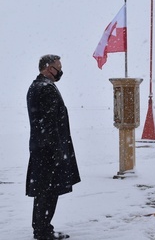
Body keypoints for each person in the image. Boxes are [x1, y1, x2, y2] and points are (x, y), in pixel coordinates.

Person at [26, 54, 81, 240]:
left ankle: (42, 228)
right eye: (59, 67)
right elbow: (49, 124)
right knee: (48, 193)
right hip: (48, 151)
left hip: (41, 148)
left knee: (44, 192)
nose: (60, 71)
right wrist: (56, 150)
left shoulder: (37, 86)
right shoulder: (45, 89)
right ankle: (43, 231)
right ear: (49, 68)